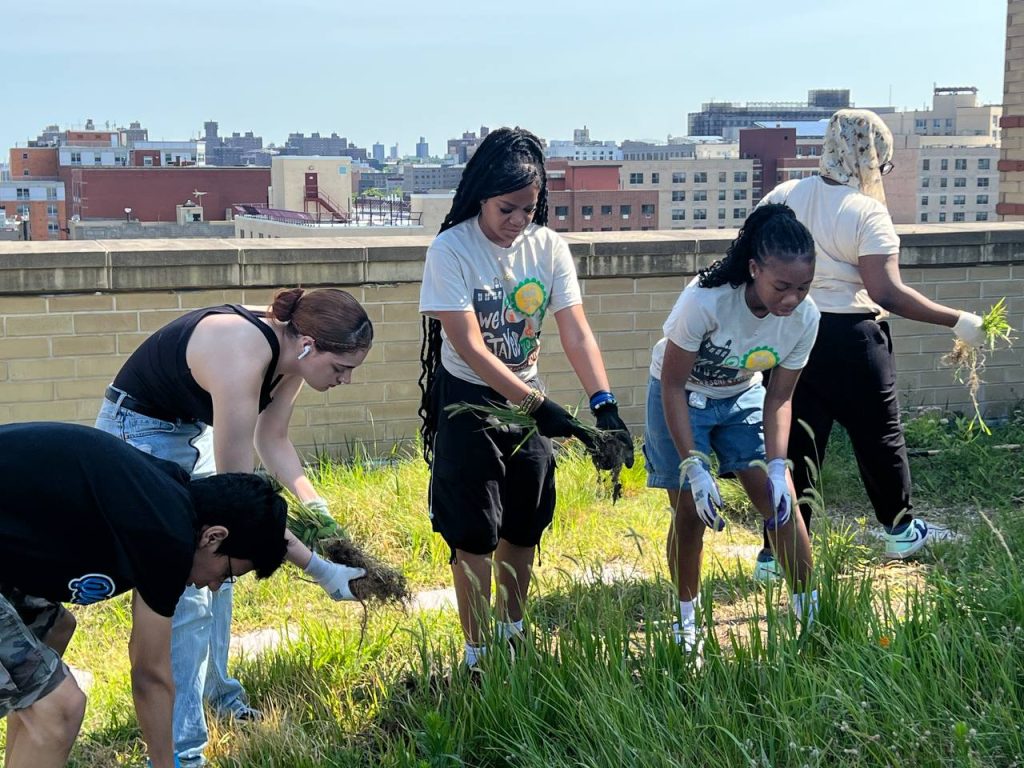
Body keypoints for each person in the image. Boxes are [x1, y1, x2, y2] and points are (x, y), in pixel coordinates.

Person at [94, 287, 372, 766]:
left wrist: (314, 505)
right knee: (191, 590)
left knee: (219, 581)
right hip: (137, 434)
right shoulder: (244, 354)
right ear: (308, 345)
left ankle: (218, 694)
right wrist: (322, 571)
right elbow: (241, 511)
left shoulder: (287, 358)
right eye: (340, 368)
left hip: (186, 430)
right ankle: (183, 753)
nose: (345, 380)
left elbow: (274, 438)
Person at [417, 126, 635, 672]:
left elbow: (576, 331)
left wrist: (604, 405)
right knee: (473, 534)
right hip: (469, 400)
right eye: (506, 210)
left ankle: (512, 635)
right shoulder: (451, 249)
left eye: (529, 209)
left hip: (524, 394)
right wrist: (537, 406)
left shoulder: (548, 247)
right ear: (480, 198)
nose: (517, 222)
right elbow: (467, 343)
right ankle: (477, 654)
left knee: (524, 524)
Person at [753, 108, 988, 578]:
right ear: (872, 154)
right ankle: (901, 531)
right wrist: (958, 320)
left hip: (788, 330)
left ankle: (776, 554)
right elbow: (885, 292)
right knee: (879, 436)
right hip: (853, 338)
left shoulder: (779, 198)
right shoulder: (866, 211)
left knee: (795, 442)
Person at [0, 422, 288, 768]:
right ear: (213, 537)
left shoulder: (167, 502)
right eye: (226, 575)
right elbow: (151, 673)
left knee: (55, 629)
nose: (213, 586)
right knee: (60, 707)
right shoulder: (168, 536)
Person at [644, 204, 820, 660]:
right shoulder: (705, 301)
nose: (791, 299)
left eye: (803, 287)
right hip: (684, 396)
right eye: (781, 286)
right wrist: (695, 469)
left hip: (743, 394)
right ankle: (687, 627)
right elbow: (673, 384)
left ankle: (812, 616)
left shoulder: (806, 319)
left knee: (781, 503)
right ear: (754, 269)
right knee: (689, 509)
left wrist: (779, 466)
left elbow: (779, 397)